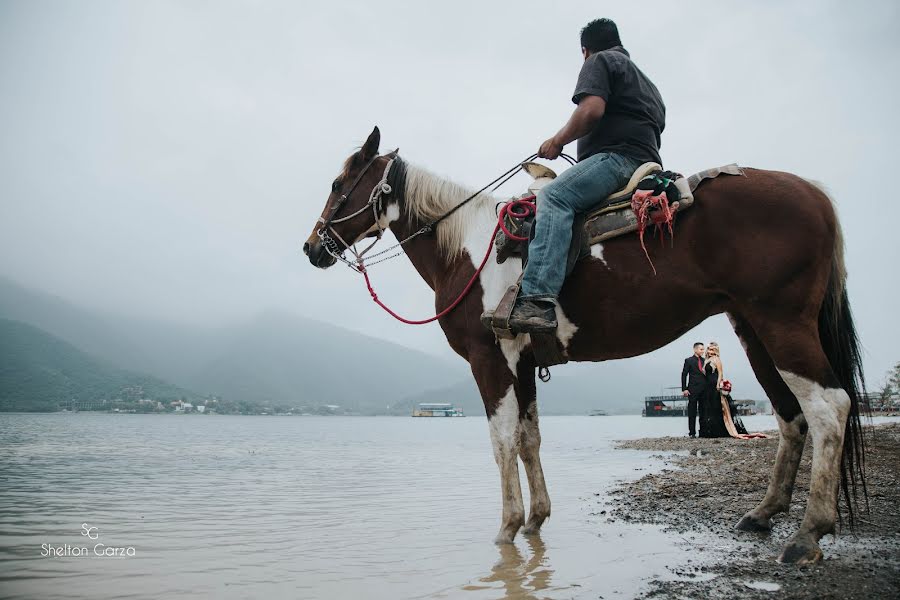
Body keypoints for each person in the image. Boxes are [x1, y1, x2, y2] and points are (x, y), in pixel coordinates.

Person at [506, 18, 666, 333]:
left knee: (554, 196)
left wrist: (557, 141)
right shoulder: (649, 85)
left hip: (618, 159)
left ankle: (537, 299)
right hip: (647, 162)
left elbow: (591, 109)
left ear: (585, 51)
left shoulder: (601, 61)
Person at [701, 342, 768, 439]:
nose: (710, 351)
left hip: (714, 384)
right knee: (710, 407)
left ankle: (720, 430)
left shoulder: (716, 359)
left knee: (717, 407)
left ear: (716, 351)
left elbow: (720, 373)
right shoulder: (707, 360)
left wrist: (718, 385)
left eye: (712, 349)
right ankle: (711, 430)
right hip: (707, 385)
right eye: (709, 349)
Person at [681, 342, 708, 438]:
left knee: (703, 411)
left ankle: (703, 431)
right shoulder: (688, 360)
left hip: (704, 389)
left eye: (703, 349)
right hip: (692, 389)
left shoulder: (705, 360)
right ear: (695, 349)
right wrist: (684, 389)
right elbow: (684, 374)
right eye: (701, 349)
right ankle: (692, 432)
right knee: (692, 411)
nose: (703, 351)